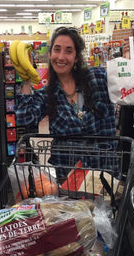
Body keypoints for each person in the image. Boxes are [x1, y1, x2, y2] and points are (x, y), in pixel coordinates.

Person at [16, 27, 116, 179]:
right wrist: (26, 79)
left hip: (104, 174)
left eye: (68, 51)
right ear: (50, 55)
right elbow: (24, 117)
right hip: (69, 179)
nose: (61, 57)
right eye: (57, 50)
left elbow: (128, 88)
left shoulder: (98, 78)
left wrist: (129, 60)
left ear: (76, 57)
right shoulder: (47, 94)